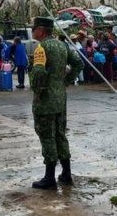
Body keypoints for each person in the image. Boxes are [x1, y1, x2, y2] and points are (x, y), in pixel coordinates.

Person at [29, 17, 84, 190]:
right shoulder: (62, 45)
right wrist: (65, 80)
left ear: (41, 30)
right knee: (60, 134)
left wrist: (37, 91)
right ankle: (66, 173)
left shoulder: (41, 48)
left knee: (47, 136)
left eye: (34, 28)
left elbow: (38, 72)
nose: (32, 31)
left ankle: (49, 177)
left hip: (45, 99)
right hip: (61, 98)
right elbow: (79, 63)